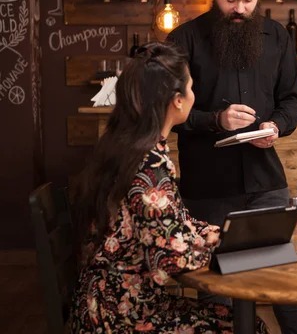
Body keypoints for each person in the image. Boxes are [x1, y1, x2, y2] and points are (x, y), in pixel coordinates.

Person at [69, 42, 269, 333]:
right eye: (191, 87)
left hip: (106, 301)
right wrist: (232, 249)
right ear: (177, 100)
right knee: (246, 327)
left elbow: (173, 222)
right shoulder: (149, 165)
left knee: (246, 323)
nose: (193, 95)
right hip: (120, 316)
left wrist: (216, 234)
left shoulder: (128, 147)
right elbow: (173, 258)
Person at [166, 0, 297, 334]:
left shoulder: (276, 36)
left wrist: (276, 126)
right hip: (207, 187)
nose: (241, 8)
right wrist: (216, 120)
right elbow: (166, 111)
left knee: (283, 283)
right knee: (217, 292)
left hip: (265, 183)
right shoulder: (184, 39)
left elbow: (293, 100)